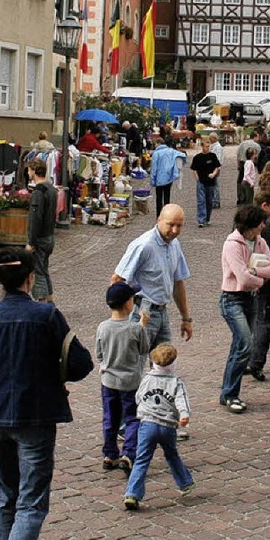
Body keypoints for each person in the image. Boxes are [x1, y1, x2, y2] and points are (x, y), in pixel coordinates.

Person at [0, 247, 93, 540]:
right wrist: (54, 375)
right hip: (36, 415)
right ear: (31, 278)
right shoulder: (46, 315)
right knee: (31, 504)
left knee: (7, 499)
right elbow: (81, 363)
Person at [111, 204, 193, 350]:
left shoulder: (174, 244)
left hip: (162, 312)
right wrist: (120, 317)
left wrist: (186, 318)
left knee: (165, 364)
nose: (174, 231)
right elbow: (117, 279)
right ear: (159, 220)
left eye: (179, 226)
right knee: (136, 362)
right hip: (141, 311)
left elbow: (178, 282)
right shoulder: (144, 245)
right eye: (170, 225)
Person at [219, 206, 270, 412]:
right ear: (251, 225)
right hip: (232, 299)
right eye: (261, 222)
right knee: (245, 344)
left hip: (250, 299)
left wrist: (253, 271)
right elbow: (241, 277)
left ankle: (227, 393)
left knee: (238, 346)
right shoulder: (232, 245)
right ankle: (231, 394)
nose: (264, 225)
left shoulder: (260, 242)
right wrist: (259, 281)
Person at [123, 343, 194, 509]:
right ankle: (185, 482)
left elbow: (138, 397)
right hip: (167, 426)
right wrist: (184, 415)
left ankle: (132, 493)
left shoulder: (147, 379)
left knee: (142, 459)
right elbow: (182, 400)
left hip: (147, 424)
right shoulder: (176, 382)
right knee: (171, 454)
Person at [95, 282, 151, 473]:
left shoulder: (102, 327)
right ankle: (129, 453)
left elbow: (99, 354)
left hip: (108, 381)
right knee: (133, 418)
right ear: (129, 303)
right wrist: (142, 324)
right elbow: (144, 349)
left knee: (110, 418)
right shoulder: (135, 329)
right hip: (131, 382)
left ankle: (110, 454)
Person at [247, 188, 270, 381]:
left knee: (252, 320)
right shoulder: (266, 228)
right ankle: (256, 362)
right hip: (264, 279)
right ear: (264, 205)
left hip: (249, 278)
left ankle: (247, 358)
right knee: (265, 322)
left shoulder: (243, 223)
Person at [26, 157, 58, 302]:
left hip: (40, 238)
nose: (27, 172)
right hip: (50, 235)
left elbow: (35, 218)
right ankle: (50, 298)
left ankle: (42, 302)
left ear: (33, 171)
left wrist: (31, 241)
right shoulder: (51, 189)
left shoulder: (38, 192)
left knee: (37, 271)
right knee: (44, 268)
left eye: (28, 169)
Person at [149, 136, 186, 217]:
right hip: (169, 177)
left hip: (159, 178)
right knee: (167, 195)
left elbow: (154, 169)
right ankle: (167, 213)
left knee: (159, 197)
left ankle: (159, 215)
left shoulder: (156, 153)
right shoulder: (171, 151)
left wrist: (152, 181)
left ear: (158, 143)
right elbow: (182, 155)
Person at [190, 137, 221, 227]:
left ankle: (207, 218)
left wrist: (214, 174)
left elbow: (217, 167)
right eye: (206, 146)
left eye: (209, 146)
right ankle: (201, 220)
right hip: (201, 181)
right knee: (201, 201)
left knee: (209, 201)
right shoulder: (197, 157)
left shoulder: (212, 156)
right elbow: (194, 169)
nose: (207, 148)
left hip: (211, 182)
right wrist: (197, 179)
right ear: (202, 146)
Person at [236, 132, 261, 203]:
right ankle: (248, 198)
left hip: (242, 163)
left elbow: (238, 154)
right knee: (249, 179)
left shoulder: (242, 143)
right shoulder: (257, 146)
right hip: (252, 163)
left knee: (240, 180)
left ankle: (240, 197)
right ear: (255, 137)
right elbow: (259, 157)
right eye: (258, 137)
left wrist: (238, 164)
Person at [209, 132, 225, 208]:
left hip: (214, 168)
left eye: (210, 138)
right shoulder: (213, 146)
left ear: (214, 138)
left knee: (214, 185)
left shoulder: (218, 147)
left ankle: (215, 201)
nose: (209, 139)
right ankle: (213, 200)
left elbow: (217, 159)